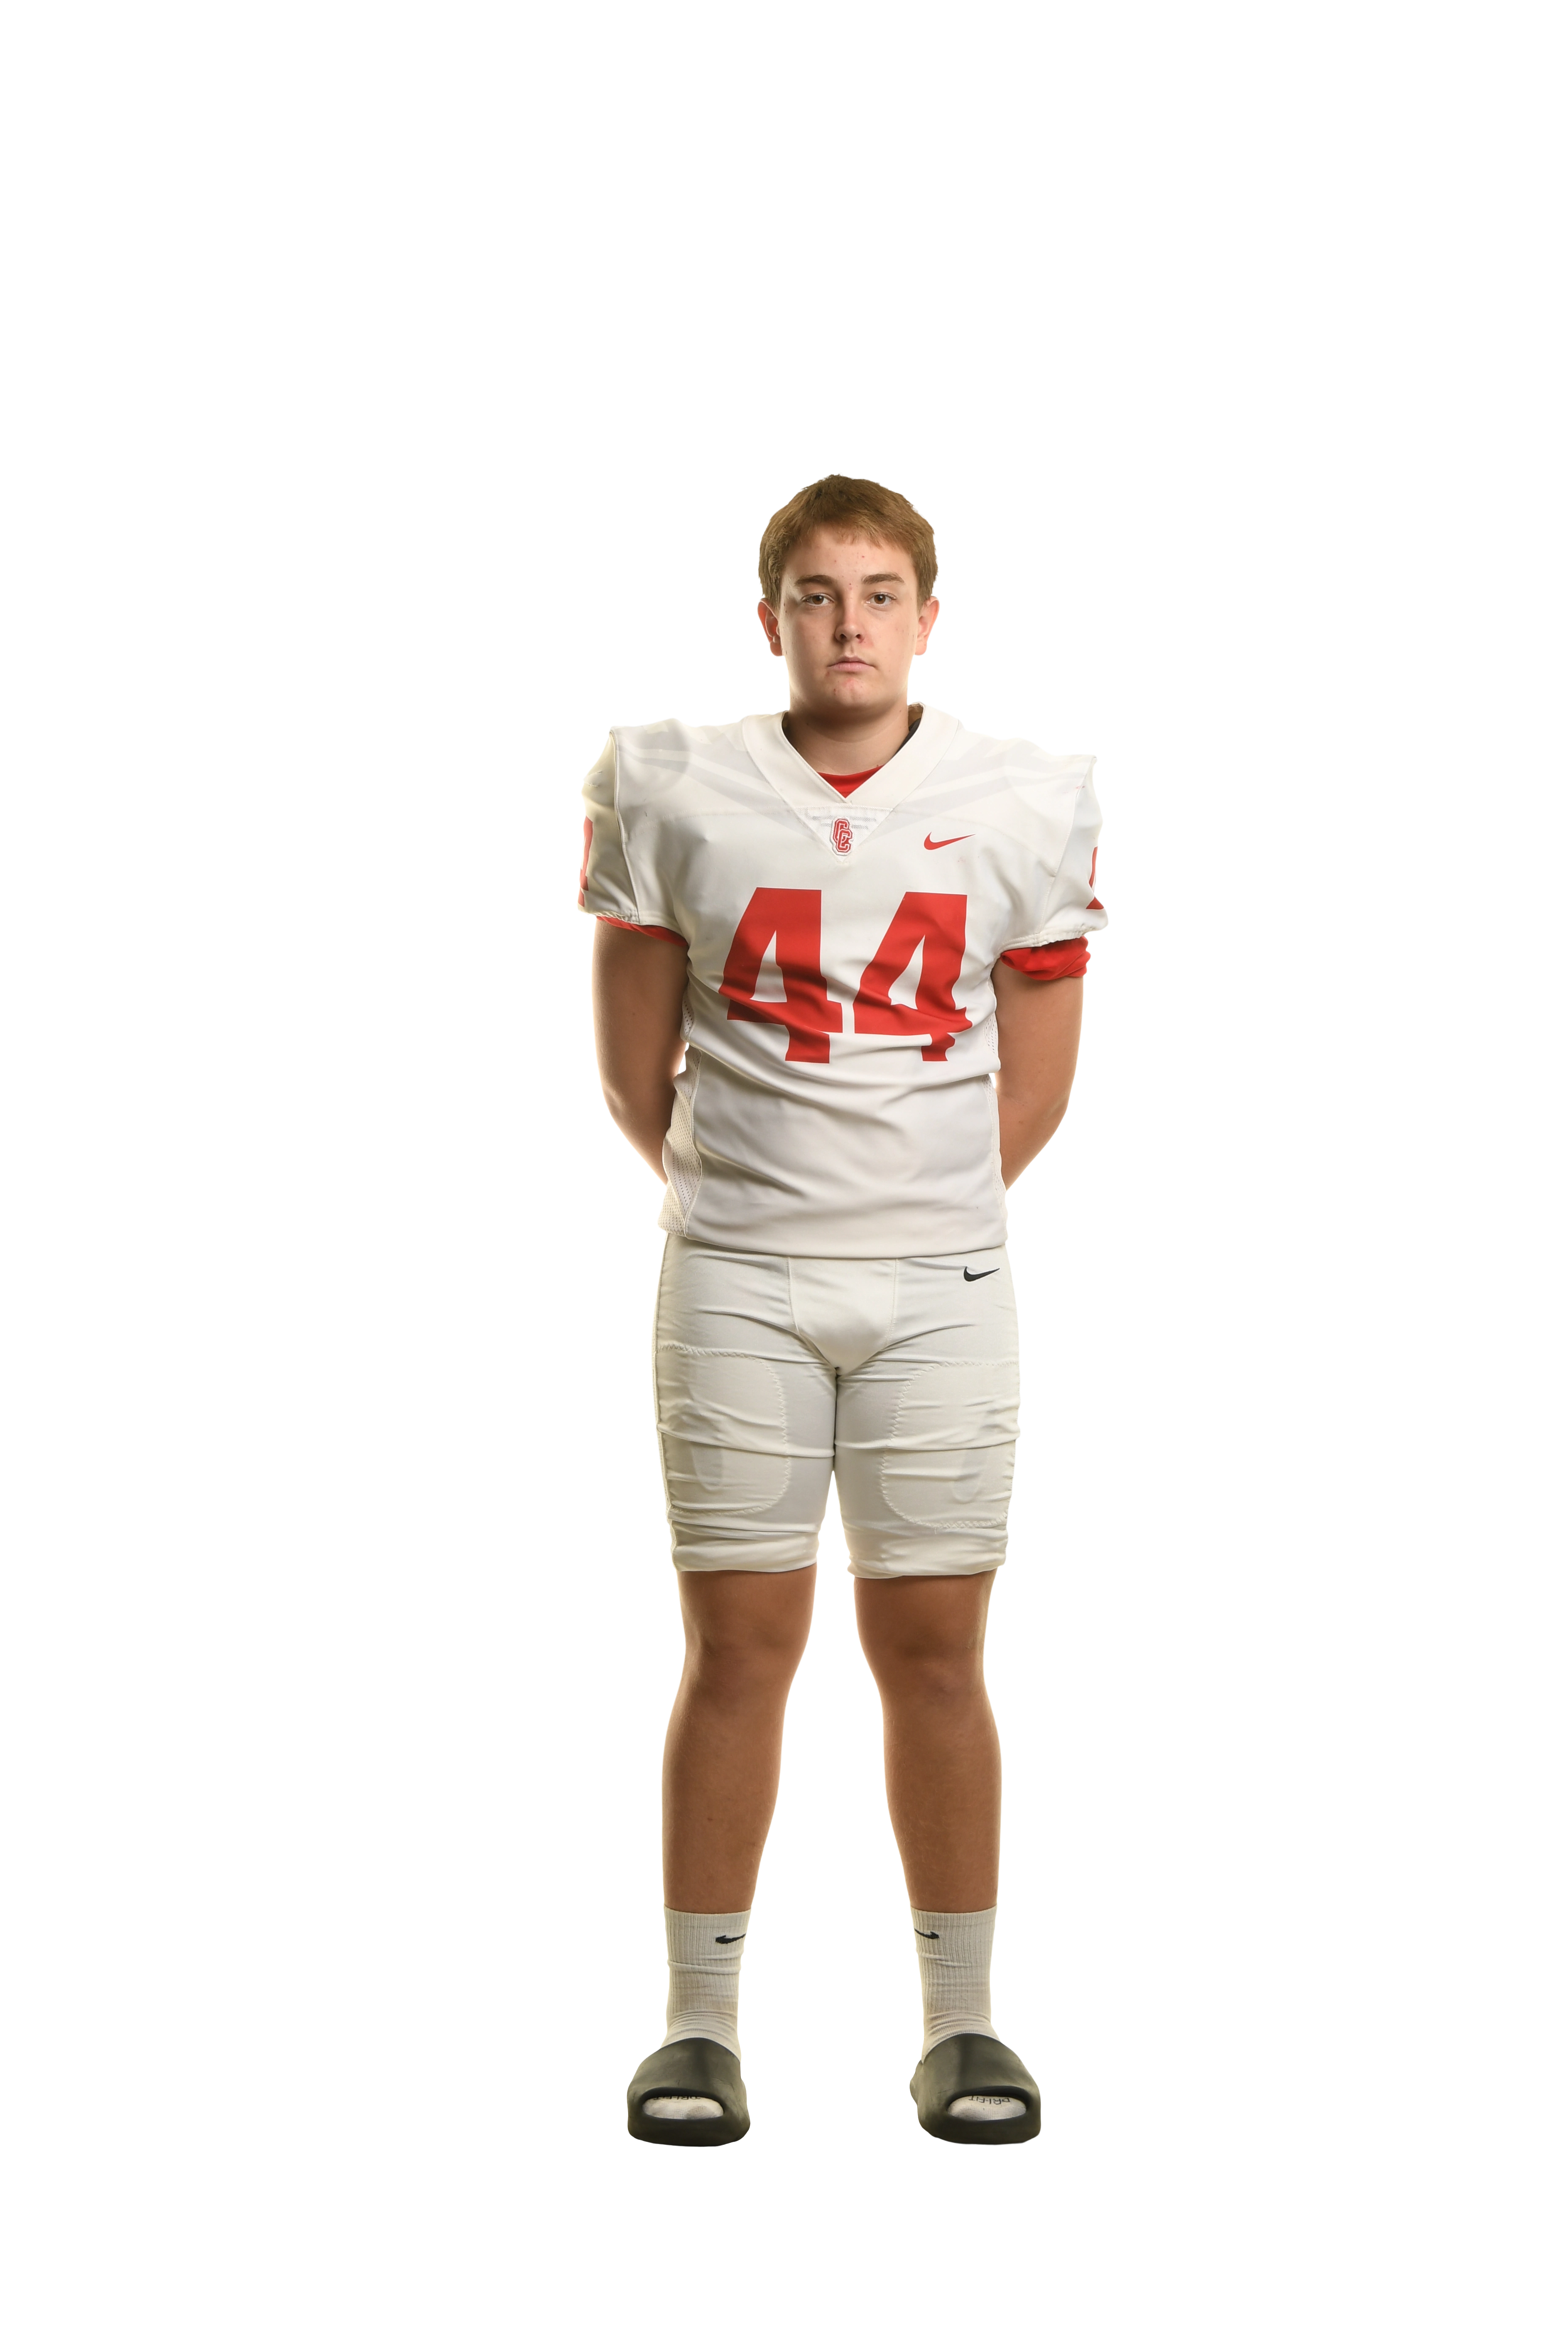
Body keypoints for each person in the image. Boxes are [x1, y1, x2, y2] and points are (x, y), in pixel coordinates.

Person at [583, 472, 1105, 2147]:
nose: (850, 624)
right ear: (771, 619)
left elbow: (1037, 1086)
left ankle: (962, 2027)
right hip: (737, 1275)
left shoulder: (1023, 796)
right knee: (736, 1650)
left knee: (936, 1655)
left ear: (929, 617)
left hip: (941, 1287)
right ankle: (698, 2029)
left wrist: (904, 1213)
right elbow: (633, 1068)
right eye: (816, 594)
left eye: (881, 593)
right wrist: (773, 1207)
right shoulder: (669, 782)